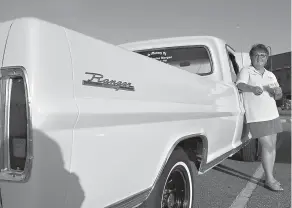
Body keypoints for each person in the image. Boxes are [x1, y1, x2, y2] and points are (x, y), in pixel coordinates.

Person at [236, 44, 284, 192]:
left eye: (262, 55)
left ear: (266, 58)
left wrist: (278, 91)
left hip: (272, 114)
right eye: (256, 55)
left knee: (272, 146)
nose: (259, 58)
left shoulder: (270, 75)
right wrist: (252, 88)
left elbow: (278, 96)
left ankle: (269, 177)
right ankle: (269, 179)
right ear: (251, 57)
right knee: (267, 146)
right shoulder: (246, 70)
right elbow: (240, 85)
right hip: (256, 116)